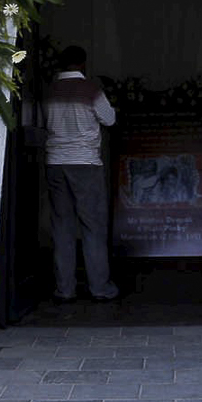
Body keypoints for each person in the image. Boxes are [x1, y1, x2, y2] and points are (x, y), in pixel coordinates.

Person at [43, 46, 119, 301]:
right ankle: (100, 288)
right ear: (83, 64)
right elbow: (109, 119)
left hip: (55, 162)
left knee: (62, 227)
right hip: (85, 163)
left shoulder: (50, 90)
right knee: (92, 227)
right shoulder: (91, 90)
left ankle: (65, 289)